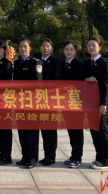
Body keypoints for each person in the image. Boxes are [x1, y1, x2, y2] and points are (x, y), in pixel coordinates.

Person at [84, 37, 108, 170]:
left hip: (100, 103)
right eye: (89, 45)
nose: (91, 47)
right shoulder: (86, 64)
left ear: (99, 47)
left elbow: (107, 84)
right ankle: (99, 157)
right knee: (94, 131)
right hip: (89, 103)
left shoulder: (105, 63)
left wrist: (104, 103)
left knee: (103, 130)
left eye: (93, 45)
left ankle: (106, 160)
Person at [13, 38, 42, 170]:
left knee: (32, 131)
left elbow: (38, 84)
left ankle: (32, 158)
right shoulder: (17, 62)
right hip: (19, 102)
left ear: (30, 48)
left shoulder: (36, 62)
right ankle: (25, 156)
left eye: (25, 47)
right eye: (20, 46)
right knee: (22, 130)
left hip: (31, 102)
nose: (22, 49)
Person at [61, 40, 85, 169]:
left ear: (75, 51)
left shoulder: (79, 65)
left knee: (77, 131)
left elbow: (80, 84)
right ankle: (73, 155)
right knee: (70, 130)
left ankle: (77, 157)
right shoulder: (61, 64)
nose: (68, 51)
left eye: (71, 49)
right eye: (66, 49)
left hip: (76, 103)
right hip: (65, 102)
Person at [38, 38, 62, 167]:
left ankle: (50, 156)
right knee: (44, 129)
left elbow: (57, 81)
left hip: (51, 100)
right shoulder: (36, 62)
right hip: (38, 100)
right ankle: (46, 155)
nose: (45, 48)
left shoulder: (56, 62)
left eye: (47, 46)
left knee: (51, 129)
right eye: (43, 46)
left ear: (52, 48)